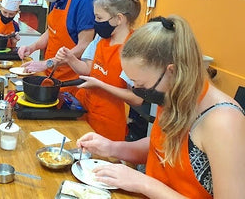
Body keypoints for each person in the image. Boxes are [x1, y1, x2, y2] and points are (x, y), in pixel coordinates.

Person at [76, 15, 245, 198]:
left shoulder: (223, 121)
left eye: (140, 84)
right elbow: (159, 146)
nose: (136, 90)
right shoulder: (173, 94)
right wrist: (112, 148)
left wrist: (144, 183)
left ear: (172, 71)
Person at [55, 0, 145, 141]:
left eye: (99, 17)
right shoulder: (100, 39)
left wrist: (99, 85)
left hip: (108, 122)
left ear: (118, 19)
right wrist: (70, 58)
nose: (96, 22)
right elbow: (88, 69)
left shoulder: (133, 49)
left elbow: (136, 99)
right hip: (85, 110)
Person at [18, 0, 95, 94]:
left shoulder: (84, 1)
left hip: (71, 81)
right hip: (51, 76)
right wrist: (33, 47)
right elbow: (52, 30)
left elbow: (84, 46)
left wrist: (47, 63)